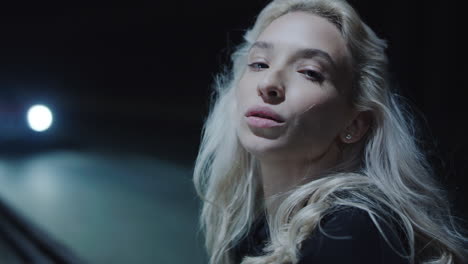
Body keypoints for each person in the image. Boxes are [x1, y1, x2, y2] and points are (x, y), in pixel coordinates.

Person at [193, 0, 468, 263]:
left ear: (355, 124)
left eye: (310, 72)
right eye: (259, 64)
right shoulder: (257, 230)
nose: (269, 82)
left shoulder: (352, 232)